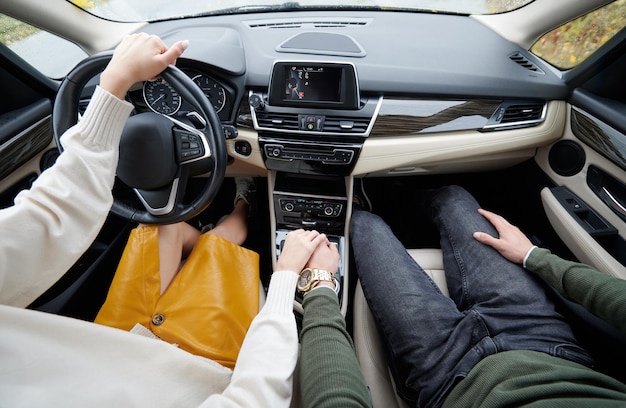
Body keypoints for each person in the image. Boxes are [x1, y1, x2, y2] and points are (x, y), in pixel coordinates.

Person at [350, 185, 626, 408]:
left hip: (451, 378)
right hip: (542, 342)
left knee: (362, 225)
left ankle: (363, 205)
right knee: (453, 197)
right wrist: (533, 256)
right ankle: (389, 198)